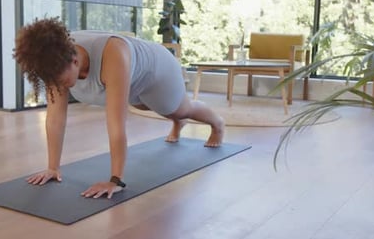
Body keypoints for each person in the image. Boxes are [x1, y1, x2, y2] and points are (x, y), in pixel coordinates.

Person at [13, 17, 225, 199]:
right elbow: (55, 119)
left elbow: (116, 125)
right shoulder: (53, 61)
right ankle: (177, 122)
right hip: (134, 77)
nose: (58, 86)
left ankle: (216, 124)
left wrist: (115, 180)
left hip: (158, 69)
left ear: (75, 60)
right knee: (144, 105)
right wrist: (52, 168)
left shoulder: (112, 56)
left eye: (60, 80)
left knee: (179, 108)